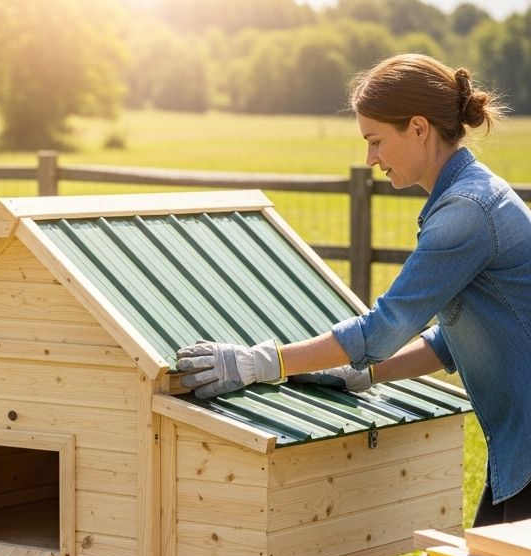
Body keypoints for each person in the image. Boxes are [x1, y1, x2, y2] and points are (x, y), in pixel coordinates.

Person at [176, 53, 531, 531]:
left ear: (418, 128)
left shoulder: (466, 211)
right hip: (518, 446)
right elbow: (453, 339)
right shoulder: (473, 194)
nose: (371, 159)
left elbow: (384, 328)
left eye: (375, 140)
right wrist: (364, 374)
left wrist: (259, 363)